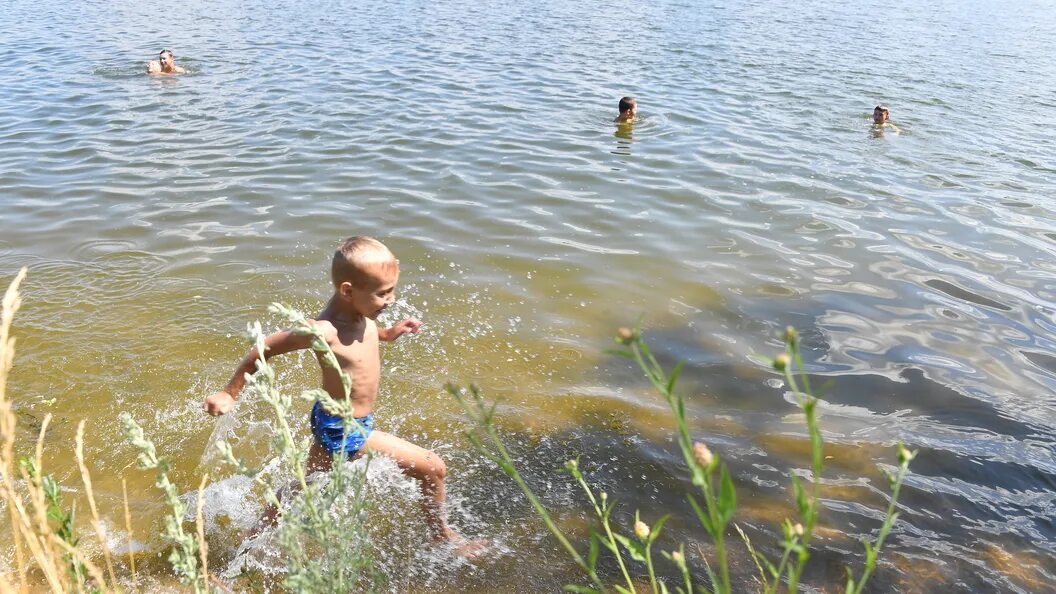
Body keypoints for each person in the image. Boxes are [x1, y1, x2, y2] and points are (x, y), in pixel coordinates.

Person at [204, 236, 481, 556]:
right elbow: (265, 347)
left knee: (306, 486)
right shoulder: (325, 330)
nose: (391, 300)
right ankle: (442, 538)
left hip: (335, 419)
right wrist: (229, 392)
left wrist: (389, 334)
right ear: (348, 291)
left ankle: (252, 535)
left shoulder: (359, 314)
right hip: (342, 427)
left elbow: (363, 331)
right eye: (383, 293)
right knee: (433, 468)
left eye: (392, 291)